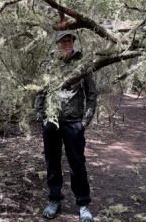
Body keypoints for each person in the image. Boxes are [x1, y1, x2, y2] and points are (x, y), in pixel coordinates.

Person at [35, 31, 97, 222]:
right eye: (62, 41)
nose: (66, 43)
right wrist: (41, 116)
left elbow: (92, 94)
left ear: (73, 42)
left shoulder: (82, 64)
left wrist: (84, 121)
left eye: (69, 40)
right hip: (52, 122)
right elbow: (41, 92)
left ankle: (83, 204)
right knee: (52, 163)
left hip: (74, 123)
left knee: (77, 164)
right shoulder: (49, 65)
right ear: (57, 44)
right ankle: (54, 200)